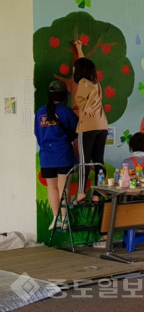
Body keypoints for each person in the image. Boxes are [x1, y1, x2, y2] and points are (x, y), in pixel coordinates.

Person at [34, 80, 78, 230]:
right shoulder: (66, 112)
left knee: (51, 188)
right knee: (64, 188)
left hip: (47, 157)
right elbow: (78, 128)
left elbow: (37, 134)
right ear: (65, 95)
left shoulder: (40, 112)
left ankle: (55, 219)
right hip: (63, 155)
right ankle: (65, 219)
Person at [73, 40, 108, 203]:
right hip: (102, 125)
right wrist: (79, 49)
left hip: (88, 126)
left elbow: (80, 98)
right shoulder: (96, 83)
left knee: (84, 161)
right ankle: (97, 193)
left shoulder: (82, 82)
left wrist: (84, 105)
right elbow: (83, 64)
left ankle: (81, 192)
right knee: (98, 160)